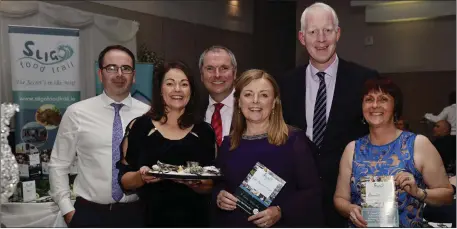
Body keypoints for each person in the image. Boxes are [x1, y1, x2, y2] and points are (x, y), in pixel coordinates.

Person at [276, 2, 379, 227]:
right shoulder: (285, 83)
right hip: (296, 200)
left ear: (338, 33)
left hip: (349, 202)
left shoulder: (365, 80)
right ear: (302, 38)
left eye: (328, 30)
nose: (321, 39)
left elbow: (378, 137)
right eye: (313, 32)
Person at [48, 45, 149, 227]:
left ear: (133, 76)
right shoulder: (76, 112)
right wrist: (67, 211)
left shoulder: (149, 115)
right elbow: (58, 164)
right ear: (100, 74)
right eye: (111, 68)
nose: (119, 74)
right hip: (89, 215)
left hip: (137, 214)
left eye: (125, 68)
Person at [334, 77, 454, 228]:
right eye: (369, 99)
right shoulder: (352, 149)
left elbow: (447, 195)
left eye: (383, 99)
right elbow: (340, 198)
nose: (375, 105)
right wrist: (349, 209)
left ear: (395, 107)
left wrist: (419, 192)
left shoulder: (418, 144)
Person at [213, 69, 324, 227]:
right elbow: (219, 184)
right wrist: (219, 196)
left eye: (264, 95)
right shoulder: (229, 144)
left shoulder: (293, 141)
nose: (255, 101)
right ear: (238, 101)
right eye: (248, 94)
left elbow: (312, 192)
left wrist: (281, 211)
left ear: (274, 103)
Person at [118, 61, 217, 227]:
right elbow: (124, 181)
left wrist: (196, 183)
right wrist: (142, 177)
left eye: (184, 84)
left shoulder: (205, 131)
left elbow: (212, 184)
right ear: (160, 90)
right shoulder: (140, 127)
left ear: (191, 91)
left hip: (196, 220)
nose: (177, 89)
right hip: (150, 219)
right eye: (170, 83)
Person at [199, 45, 237, 146]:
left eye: (224, 68)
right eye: (210, 68)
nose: (217, 75)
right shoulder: (193, 110)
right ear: (201, 75)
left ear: (235, 73)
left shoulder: (250, 108)